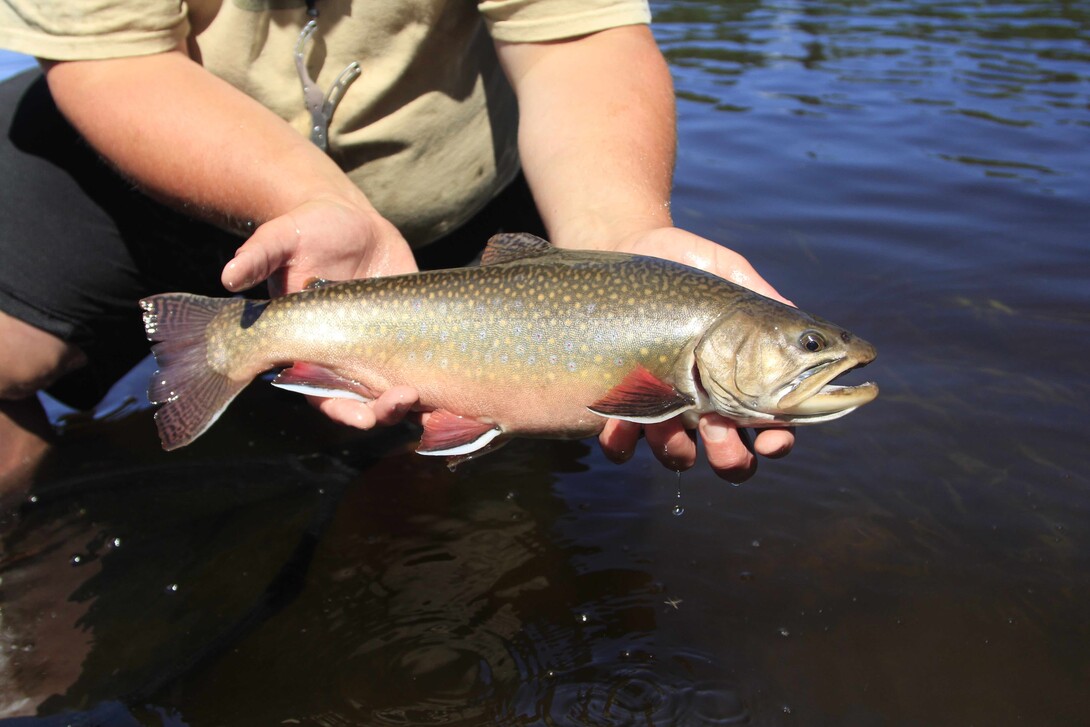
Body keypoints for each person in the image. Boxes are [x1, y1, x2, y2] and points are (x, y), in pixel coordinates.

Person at [0, 0, 795, 487]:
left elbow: (574, 41)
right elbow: (114, 59)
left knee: (441, 469)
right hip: (126, 145)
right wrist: (307, 193)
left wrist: (622, 241)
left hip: (464, 191)